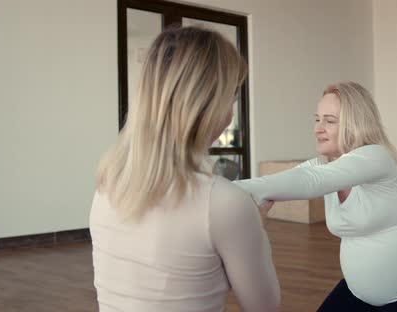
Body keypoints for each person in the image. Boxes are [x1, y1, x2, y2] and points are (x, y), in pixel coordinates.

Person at [90, 26, 280, 312]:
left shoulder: (107, 185)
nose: (231, 113)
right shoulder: (224, 203)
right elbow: (264, 306)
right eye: (231, 98)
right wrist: (257, 232)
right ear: (209, 103)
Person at [235, 82, 397, 311]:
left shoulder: (377, 157)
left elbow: (310, 181)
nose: (318, 128)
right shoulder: (326, 166)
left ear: (355, 124)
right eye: (317, 119)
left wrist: (220, 189)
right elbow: (288, 180)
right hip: (356, 294)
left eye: (329, 121)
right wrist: (234, 195)